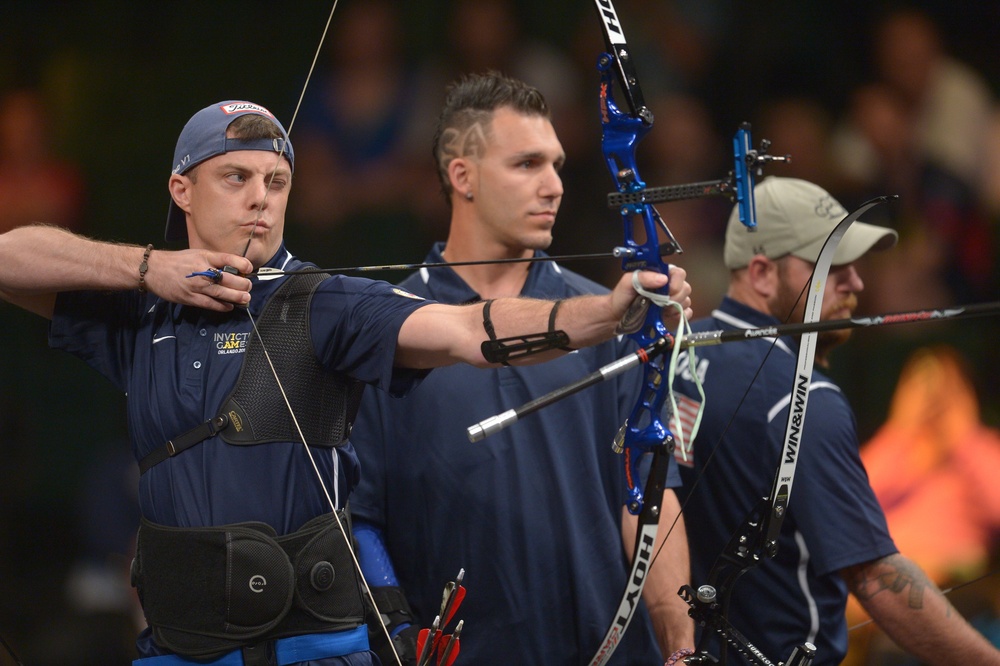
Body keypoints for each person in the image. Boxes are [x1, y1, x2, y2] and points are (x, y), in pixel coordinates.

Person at [0, 100, 692, 666]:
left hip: (313, 648)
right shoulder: (138, 308)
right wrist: (152, 269)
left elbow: (465, 331)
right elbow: (10, 259)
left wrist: (603, 314)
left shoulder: (324, 303)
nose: (260, 200)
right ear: (181, 188)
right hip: (180, 648)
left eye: (275, 183)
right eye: (235, 178)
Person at [348, 72, 694, 666]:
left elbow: (648, 501)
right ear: (463, 176)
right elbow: (360, 521)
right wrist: (398, 640)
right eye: (527, 164)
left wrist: (680, 645)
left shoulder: (614, 319)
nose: (554, 185)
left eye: (557, 164)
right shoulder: (390, 330)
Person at [671, 176, 1000, 665]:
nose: (855, 282)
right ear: (761, 274)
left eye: (852, 264)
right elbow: (875, 577)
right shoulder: (804, 398)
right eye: (829, 266)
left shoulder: (674, 352)